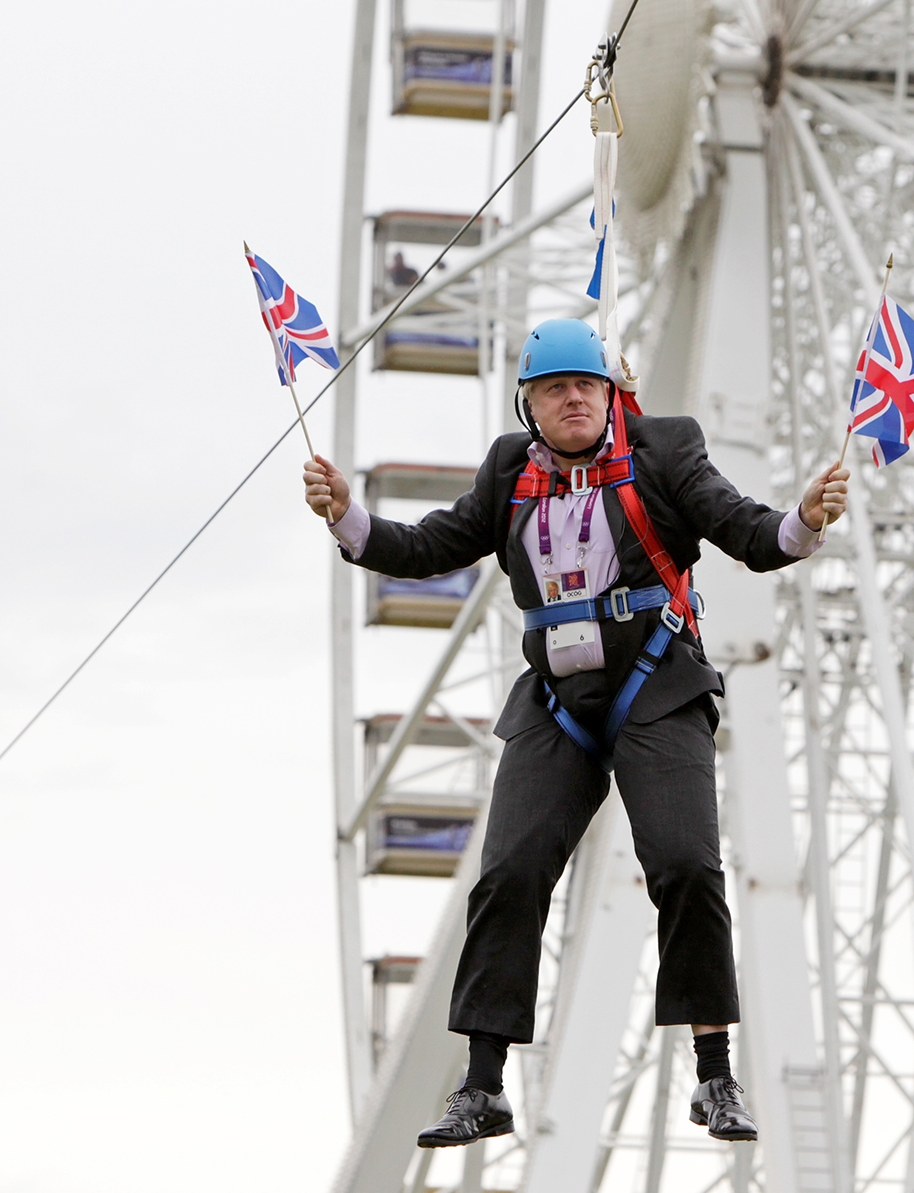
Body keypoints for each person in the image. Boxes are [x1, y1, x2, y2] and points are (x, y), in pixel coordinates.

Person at [302, 318, 850, 1149]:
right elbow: (428, 547)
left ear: (611, 394)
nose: (574, 400)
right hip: (557, 702)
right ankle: (482, 1086)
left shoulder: (666, 450)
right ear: (529, 404)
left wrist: (802, 522)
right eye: (556, 389)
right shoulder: (508, 473)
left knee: (686, 866)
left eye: (587, 387)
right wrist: (348, 517)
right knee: (510, 872)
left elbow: (742, 529)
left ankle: (714, 1075)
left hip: (657, 689)